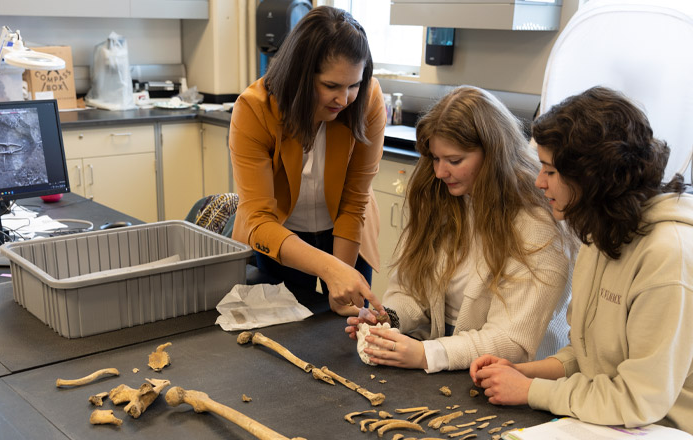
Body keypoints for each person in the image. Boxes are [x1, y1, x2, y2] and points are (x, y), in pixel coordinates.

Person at [470, 86, 693, 440]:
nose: (539, 182)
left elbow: (637, 398)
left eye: (550, 170)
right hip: (639, 432)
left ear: (592, 177)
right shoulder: (602, 232)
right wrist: (522, 373)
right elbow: (591, 356)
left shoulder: (670, 257)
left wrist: (531, 391)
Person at [345, 86, 573, 372]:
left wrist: (427, 354)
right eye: (436, 159)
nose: (440, 173)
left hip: (513, 377)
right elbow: (410, 288)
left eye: (454, 161)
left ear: (492, 156)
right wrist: (389, 319)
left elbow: (511, 340)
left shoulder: (537, 225)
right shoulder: (441, 196)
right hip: (447, 363)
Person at [229, 6, 385, 315]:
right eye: (331, 86)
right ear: (300, 75)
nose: (344, 99)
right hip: (282, 237)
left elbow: (354, 201)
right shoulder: (254, 110)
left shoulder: (367, 101)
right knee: (286, 328)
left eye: (353, 84)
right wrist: (329, 270)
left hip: (346, 234)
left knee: (345, 332)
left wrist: (339, 273)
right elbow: (258, 219)